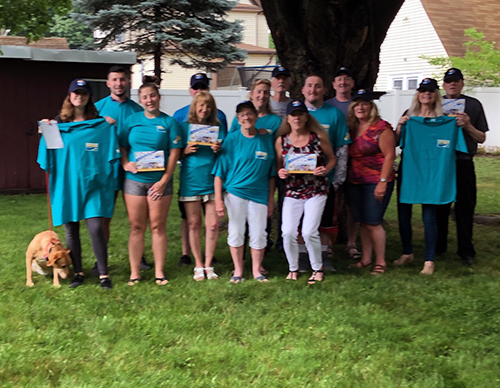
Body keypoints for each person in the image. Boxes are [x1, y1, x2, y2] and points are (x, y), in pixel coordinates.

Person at [37, 79, 119, 289]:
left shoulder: (100, 123)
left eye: (83, 93)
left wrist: (109, 126)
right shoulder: (58, 124)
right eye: (75, 92)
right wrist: (45, 132)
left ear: (89, 97)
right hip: (68, 184)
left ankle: (103, 275)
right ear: (69, 96)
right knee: (71, 229)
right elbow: (47, 158)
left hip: (94, 183)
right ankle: (78, 273)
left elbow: (111, 152)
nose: (79, 96)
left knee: (95, 227)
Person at [394, 78, 467, 275]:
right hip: (410, 172)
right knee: (403, 214)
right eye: (423, 91)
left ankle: (429, 260)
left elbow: (461, 147)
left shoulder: (448, 120)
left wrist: (461, 125)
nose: (427, 94)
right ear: (418, 94)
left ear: (436, 95)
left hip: (434, 174)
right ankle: (407, 252)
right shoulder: (409, 118)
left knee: (429, 217)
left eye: (431, 91)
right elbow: (396, 142)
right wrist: (400, 126)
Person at [119, 76, 182, 285]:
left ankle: (159, 272)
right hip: (134, 181)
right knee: (137, 227)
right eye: (145, 97)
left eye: (152, 96)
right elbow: (121, 145)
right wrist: (125, 162)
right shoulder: (131, 120)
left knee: (158, 226)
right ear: (140, 99)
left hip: (159, 182)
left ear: (159, 97)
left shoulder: (169, 122)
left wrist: (165, 180)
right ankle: (134, 273)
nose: (149, 100)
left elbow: (174, 154)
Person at [94, 65, 152, 272]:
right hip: (106, 169)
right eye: (115, 80)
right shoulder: (97, 108)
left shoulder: (138, 110)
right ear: (108, 83)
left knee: (137, 218)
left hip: (133, 170)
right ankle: (100, 260)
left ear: (128, 82)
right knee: (103, 217)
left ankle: (141, 257)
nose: (119, 83)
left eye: (122, 79)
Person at [213, 101, 276, 283]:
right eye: (242, 115)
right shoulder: (231, 140)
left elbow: (272, 174)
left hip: (259, 194)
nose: (246, 117)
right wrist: (218, 199)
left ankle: (257, 270)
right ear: (238, 119)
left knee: (259, 233)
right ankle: (238, 270)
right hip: (235, 193)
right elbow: (219, 172)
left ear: (256, 117)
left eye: (249, 114)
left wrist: (270, 200)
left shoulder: (266, 139)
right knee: (236, 231)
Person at [276, 100, 336, 283]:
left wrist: (325, 169)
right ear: (287, 118)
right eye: (293, 114)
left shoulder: (318, 137)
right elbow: (279, 167)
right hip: (292, 192)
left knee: (310, 231)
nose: (297, 118)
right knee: (287, 232)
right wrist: (281, 172)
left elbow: (332, 159)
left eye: (300, 114)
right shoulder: (282, 140)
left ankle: (317, 268)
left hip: (316, 190)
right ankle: (293, 268)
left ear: (306, 116)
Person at [173, 73, 227, 267]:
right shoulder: (182, 124)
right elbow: (173, 153)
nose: (204, 109)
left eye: (207, 106)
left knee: (212, 224)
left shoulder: (219, 124)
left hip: (212, 179)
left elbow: (225, 151)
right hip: (191, 179)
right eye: (201, 106)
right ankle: (193, 260)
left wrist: (219, 149)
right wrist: (184, 151)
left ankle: (208, 261)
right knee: (192, 221)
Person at [436, 68, 488, 266]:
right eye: (449, 81)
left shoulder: (473, 105)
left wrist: (468, 125)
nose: (452, 84)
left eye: (456, 81)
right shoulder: (435, 103)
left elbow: (482, 137)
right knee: (440, 205)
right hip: (441, 162)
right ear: (444, 84)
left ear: (462, 83)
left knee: (465, 208)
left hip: (464, 162)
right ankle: (439, 246)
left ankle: (466, 250)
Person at [301, 74, 351, 271]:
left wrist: (338, 178)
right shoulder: (296, 112)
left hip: (325, 180)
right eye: (309, 86)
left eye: (317, 86)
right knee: (299, 221)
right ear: (303, 89)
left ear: (324, 90)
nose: (313, 90)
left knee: (325, 220)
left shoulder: (334, 114)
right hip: (298, 181)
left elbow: (342, 149)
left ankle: (323, 256)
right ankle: (302, 257)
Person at [346, 90, 395, 275]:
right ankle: (366, 259)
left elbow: (390, 155)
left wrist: (382, 182)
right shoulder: (352, 128)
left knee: (374, 222)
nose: (360, 107)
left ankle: (380, 262)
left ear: (372, 106)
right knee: (363, 222)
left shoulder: (381, 128)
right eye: (357, 104)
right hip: (356, 181)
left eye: (364, 103)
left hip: (377, 180)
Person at [326, 67, 361, 261]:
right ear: (333, 85)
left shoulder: (360, 105)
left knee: (351, 204)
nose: (343, 83)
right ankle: (328, 243)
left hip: (357, 161)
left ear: (352, 83)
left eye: (347, 79)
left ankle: (351, 243)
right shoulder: (327, 107)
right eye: (339, 79)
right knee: (332, 204)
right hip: (334, 160)